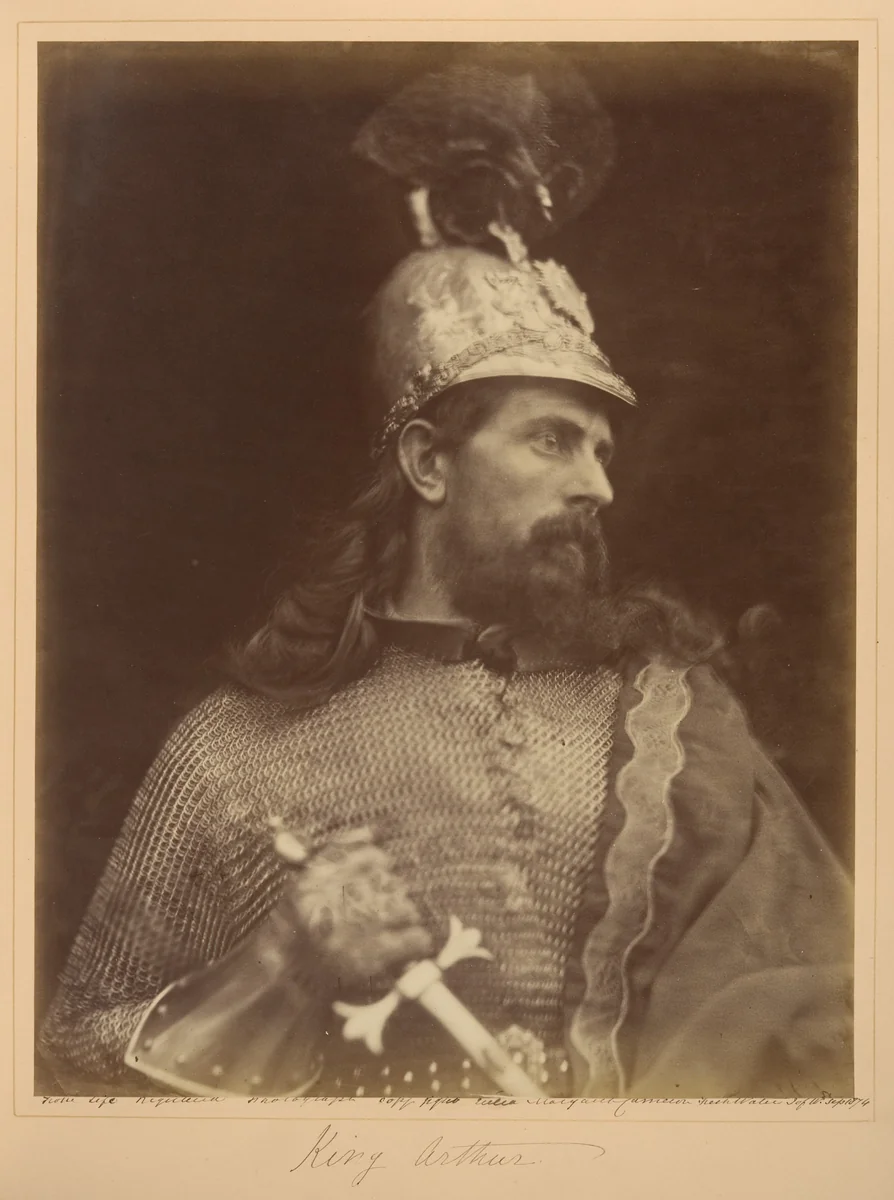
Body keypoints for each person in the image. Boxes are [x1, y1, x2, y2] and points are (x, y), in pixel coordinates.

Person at [38, 60, 853, 1101]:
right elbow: (67, 1074)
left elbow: (839, 1039)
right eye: (554, 441)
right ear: (428, 463)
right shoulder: (231, 753)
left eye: (604, 450)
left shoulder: (680, 729)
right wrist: (277, 965)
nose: (598, 485)